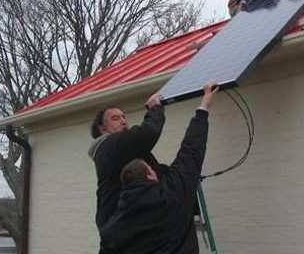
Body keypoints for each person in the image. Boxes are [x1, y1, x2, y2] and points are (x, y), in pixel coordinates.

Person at [100, 82, 219, 254]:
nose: (123, 121)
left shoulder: (112, 230)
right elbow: (190, 152)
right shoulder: (173, 195)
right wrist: (204, 106)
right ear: (150, 175)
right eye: (115, 118)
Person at [88, 92, 167, 252]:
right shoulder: (109, 145)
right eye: (115, 118)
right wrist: (155, 108)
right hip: (121, 235)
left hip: (126, 231)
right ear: (103, 130)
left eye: (123, 117)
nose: (123, 121)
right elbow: (147, 134)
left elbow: (152, 170)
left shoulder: (123, 150)